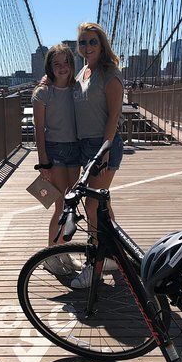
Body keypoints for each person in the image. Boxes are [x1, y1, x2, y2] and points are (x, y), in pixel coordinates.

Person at [70, 22, 124, 288]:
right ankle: (114, 254)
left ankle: (94, 267)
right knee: (102, 205)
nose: (87, 47)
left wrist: (103, 153)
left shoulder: (109, 74)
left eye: (92, 42)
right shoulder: (82, 73)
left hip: (104, 147)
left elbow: (114, 116)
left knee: (91, 206)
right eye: (82, 42)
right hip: (86, 147)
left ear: (102, 45)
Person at [32, 44, 81, 276]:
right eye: (57, 64)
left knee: (70, 205)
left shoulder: (78, 88)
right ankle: (51, 255)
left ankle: (62, 250)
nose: (62, 68)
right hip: (55, 152)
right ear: (49, 67)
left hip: (75, 150)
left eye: (66, 63)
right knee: (60, 205)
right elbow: (39, 129)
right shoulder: (42, 93)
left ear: (72, 65)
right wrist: (44, 163)